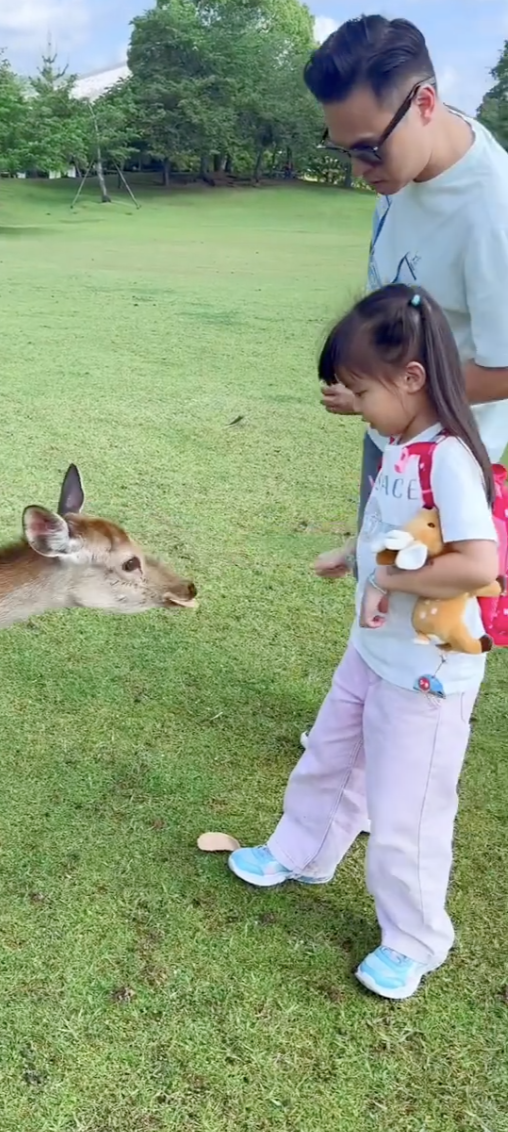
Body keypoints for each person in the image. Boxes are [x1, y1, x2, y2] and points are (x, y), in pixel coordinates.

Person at [228, 284, 499, 1000]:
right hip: (374, 652)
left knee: (406, 809)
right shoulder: (402, 441)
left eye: (360, 390)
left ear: (411, 380)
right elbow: (398, 530)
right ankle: (305, 850)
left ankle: (415, 939)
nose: (355, 405)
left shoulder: (449, 458)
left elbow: (478, 563)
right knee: (332, 754)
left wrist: (388, 582)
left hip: (428, 674)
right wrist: (352, 556)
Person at [298, 15, 508, 750]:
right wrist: (368, 387)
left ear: (424, 102)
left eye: (366, 150)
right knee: (375, 580)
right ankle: (353, 730)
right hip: (395, 433)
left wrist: (390, 396)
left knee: (426, 608)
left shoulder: (493, 209)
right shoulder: (399, 168)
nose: (362, 171)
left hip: (460, 457)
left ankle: (404, 763)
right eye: (343, 150)